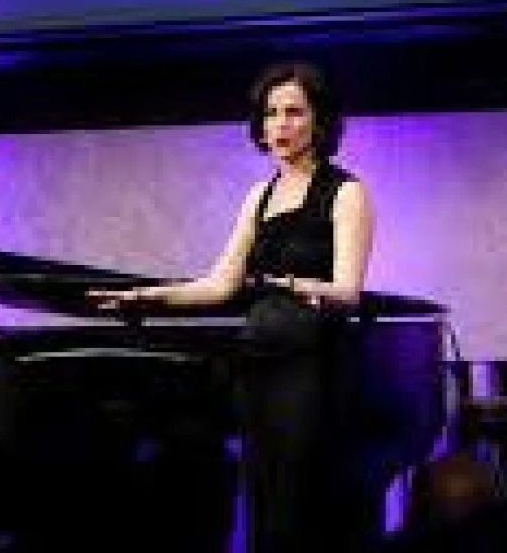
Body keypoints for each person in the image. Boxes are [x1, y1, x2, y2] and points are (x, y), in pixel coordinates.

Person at [89, 60, 375, 552]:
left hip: (308, 367)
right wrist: (149, 296)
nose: (280, 125)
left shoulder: (346, 192)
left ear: (319, 120)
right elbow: (221, 284)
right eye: (271, 113)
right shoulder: (259, 196)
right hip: (257, 363)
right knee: (262, 496)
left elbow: (348, 290)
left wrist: (289, 282)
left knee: (299, 503)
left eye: (294, 112)